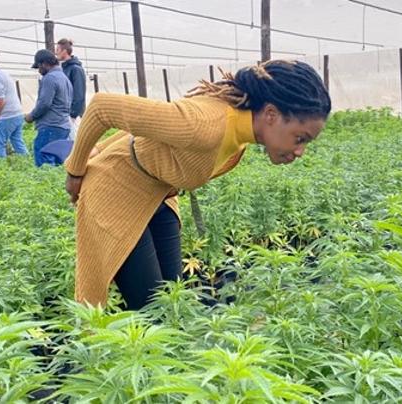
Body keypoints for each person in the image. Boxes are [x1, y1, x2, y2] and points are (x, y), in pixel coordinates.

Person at [64, 60, 331, 310]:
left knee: (173, 300)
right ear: (271, 114)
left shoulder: (239, 128)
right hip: (115, 192)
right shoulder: (205, 123)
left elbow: (149, 132)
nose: (300, 151)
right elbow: (102, 107)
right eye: (300, 138)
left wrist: (101, 148)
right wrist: (76, 170)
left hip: (158, 194)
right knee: (153, 310)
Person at [25, 49, 73, 167]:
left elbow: (44, 103)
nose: (39, 71)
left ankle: (45, 179)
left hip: (50, 126)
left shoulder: (50, 78)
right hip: (63, 126)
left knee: (44, 159)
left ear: (44, 63)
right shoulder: (64, 78)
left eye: (39, 67)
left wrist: (31, 116)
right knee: (57, 161)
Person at [55, 38, 86, 140]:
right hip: (65, 114)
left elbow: (79, 94)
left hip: (74, 115)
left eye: (58, 50)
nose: (56, 53)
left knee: (75, 142)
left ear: (64, 51)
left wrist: (73, 114)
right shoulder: (63, 69)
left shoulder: (76, 69)